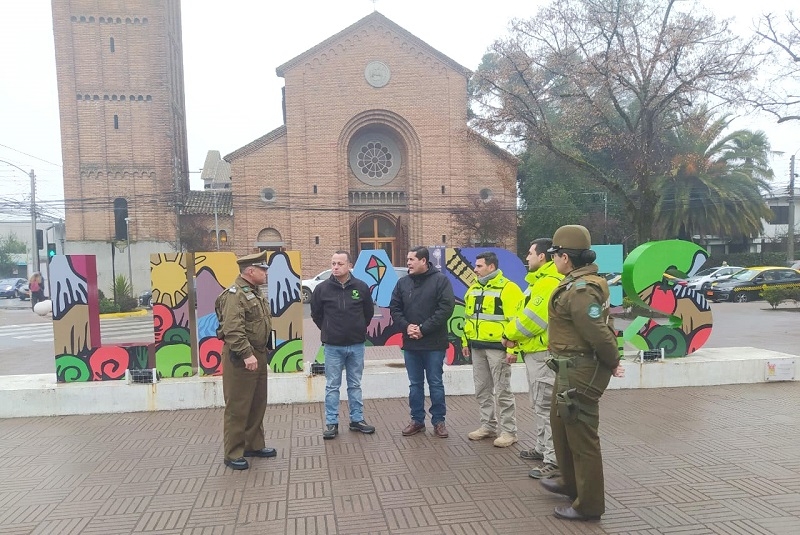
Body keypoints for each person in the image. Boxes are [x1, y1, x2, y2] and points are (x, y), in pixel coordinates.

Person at [538, 225, 624, 521]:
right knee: (560, 425)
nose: (553, 261)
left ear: (565, 257)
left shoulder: (581, 289)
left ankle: (588, 505)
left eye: (555, 255)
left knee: (582, 437)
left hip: (579, 370)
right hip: (567, 367)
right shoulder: (576, 283)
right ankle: (570, 482)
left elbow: (598, 334)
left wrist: (613, 361)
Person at [503, 238, 563, 478]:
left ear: (543, 257)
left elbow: (533, 320)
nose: (526, 258)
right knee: (539, 403)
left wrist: (509, 335)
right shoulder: (538, 282)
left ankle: (553, 459)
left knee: (546, 406)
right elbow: (522, 312)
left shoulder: (548, 282)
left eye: (530, 253)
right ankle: (542, 449)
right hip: (535, 352)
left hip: (543, 354)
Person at [215, 251, 277, 470]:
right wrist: (246, 354)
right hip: (241, 358)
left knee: (257, 403)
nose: (266, 273)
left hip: (257, 354)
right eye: (263, 269)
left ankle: (253, 444)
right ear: (251, 271)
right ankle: (233, 453)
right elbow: (232, 329)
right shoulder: (235, 295)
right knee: (238, 406)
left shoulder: (254, 291)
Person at [390, 246, 455, 438]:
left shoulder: (441, 281)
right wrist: (407, 327)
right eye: (408, 259)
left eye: (411, 259)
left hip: (434, 344)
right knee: (415, 384)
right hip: (411, 344)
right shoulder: (402, 283)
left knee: (435, 383)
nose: (408, 263)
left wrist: (423, 329)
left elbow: (445, 309)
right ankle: (417, 420)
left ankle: (439, 421)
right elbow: (395, 308)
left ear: (424, 261)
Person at [461, 251, 524, 448]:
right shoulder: (473, 289)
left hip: (499, 348)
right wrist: (465, 342)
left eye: (479, 266)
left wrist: (512, 350)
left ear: (491, 266)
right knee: (482, 390)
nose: (475, 269)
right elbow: (468, 318)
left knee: (503, 390)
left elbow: (516, 321)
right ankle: (488, 426)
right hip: (477, 347)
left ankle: (509, 431)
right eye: (476, 265)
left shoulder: (508, 288)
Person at [311, 250, 376, 440]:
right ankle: (331, 423)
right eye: (333, 263)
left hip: (356, 345)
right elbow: (316, 314)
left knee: (355, 384)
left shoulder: (361, 287)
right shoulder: (322, 289)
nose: (336, 267)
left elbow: (368, 313)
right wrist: (329, 329)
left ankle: (357, 420)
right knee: (332, 385)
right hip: (333, 347)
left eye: (340, 263)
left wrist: (356, 329)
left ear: (349, 265)